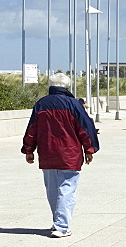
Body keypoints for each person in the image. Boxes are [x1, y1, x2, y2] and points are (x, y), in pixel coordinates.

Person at [21, 72, 99, 238]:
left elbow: (32, 129)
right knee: (67, 189)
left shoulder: (41, 104)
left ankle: (58, 222)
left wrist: (28, 150)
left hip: (47, 153)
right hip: (70, 155)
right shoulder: (74, 104)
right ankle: (62, 226)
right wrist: (89, 149)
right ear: (67, 87)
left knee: (53, 191)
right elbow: (85, 129)